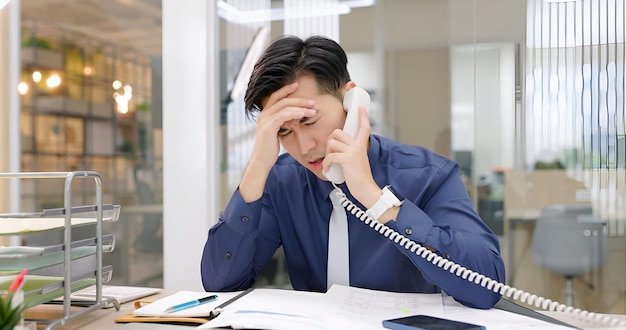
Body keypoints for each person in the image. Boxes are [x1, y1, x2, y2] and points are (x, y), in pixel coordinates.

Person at [201, 35, 505, 309]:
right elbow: (220, 283)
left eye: (308, 121)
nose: (304, 146)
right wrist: (257, 167)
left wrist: (377, 201)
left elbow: (485, 287)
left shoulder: (429, 175)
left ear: (352, 101)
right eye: (283, 131)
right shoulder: (281, 181)